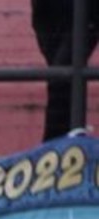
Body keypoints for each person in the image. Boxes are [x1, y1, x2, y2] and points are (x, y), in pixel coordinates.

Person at [32, 0, 99, 142]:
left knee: (61, 77)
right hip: (50, 11)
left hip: (84, 10)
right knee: (61, 76)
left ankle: (54, 143)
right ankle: (68, 137)